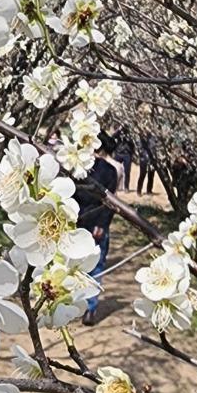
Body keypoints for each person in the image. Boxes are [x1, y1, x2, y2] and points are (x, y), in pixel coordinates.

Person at [75, 134, 119, 323]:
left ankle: (90, 308)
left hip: (92, 223)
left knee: (95, 266)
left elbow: (108, 202)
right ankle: (81, 305)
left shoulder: (108, 171)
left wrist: (101, 224)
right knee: (84, 267)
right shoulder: (77, 167)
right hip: (80, 222)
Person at [137, 130, 157, 195]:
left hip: (152, 160)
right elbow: (139, 148)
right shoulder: (141, 138)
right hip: (144, 159)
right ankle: (139, 190)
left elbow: (155, 148)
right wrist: (145, 155)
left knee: (151, 176)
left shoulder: (154, 138)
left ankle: (149, 190)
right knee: (142, 175)